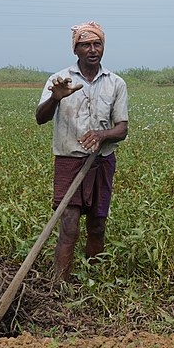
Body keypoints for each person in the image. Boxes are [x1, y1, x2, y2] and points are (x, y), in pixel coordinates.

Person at [36, 21, 128, 282]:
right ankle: (60, 284)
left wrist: (102, 135)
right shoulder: (59, 80)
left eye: (97, 44)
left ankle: (94, 280)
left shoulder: (115, 83)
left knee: (97, 224)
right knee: (69, 224)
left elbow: (121, 129)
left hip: (101, 161)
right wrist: (56, 98)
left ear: (103, 47)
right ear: (75, 49)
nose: (92, 49)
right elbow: (40, 118)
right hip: (69, 161)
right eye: (85, 44)